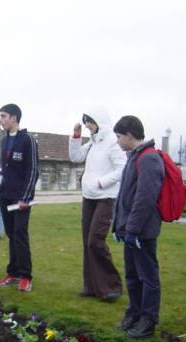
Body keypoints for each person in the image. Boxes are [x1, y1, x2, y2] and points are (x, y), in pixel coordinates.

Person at [112, 116, 165, 339]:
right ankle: (134, 312)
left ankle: (148, 319)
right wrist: (119, 226)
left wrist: (133, 229)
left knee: (148, 276)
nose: (117, 141)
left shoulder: (148, 158)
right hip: (130, 230)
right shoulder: (134, 157)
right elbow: (125, 195)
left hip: (142, 231)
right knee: (133, 276)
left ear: (129, 135)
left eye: (119, 136)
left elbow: (144, 198)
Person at [69, 107, 127, 302]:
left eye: (90, 122)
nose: (87, 126)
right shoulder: (92, 142)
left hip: (106, 197)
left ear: (100, 122)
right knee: (87, 243)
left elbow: (122, 169)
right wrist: (76, 138)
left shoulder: (113, 142)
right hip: (89, 196)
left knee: (96, 241)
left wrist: (102, 182)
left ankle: (112, 286)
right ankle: (92, 286)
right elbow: (75, 158)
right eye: (85, 122)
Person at [0, 103, 39, 293]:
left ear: (14, 118)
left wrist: (26, 197)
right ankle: (12, 273)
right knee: (11, 235)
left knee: (20, 235)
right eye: (0, 116)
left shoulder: (28, 139)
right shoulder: (4, 141)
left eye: (3, 116)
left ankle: (25, 276)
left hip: (21, 198)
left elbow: (33, 170)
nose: (0, 119)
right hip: (5, 196)